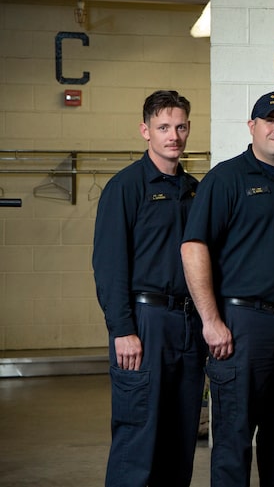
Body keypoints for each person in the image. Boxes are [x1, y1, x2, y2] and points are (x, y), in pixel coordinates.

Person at [180, 91, 274, 487]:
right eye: (269, 120)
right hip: (242, 327)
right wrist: (211, 320)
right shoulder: (225, 179)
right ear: (252, 127)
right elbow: (193, 247)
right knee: (233, 441)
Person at [92, 90, 206, 487]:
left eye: (179, 126)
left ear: (188, 129)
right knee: (138, 434)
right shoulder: (125, 187)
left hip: (189, 325)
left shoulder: (195, 190)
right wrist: (122, 329)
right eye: (163, 127)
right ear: (145, 131)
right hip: (145, 323)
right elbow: (108, 266)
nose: (172, 135)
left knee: (181, 435)